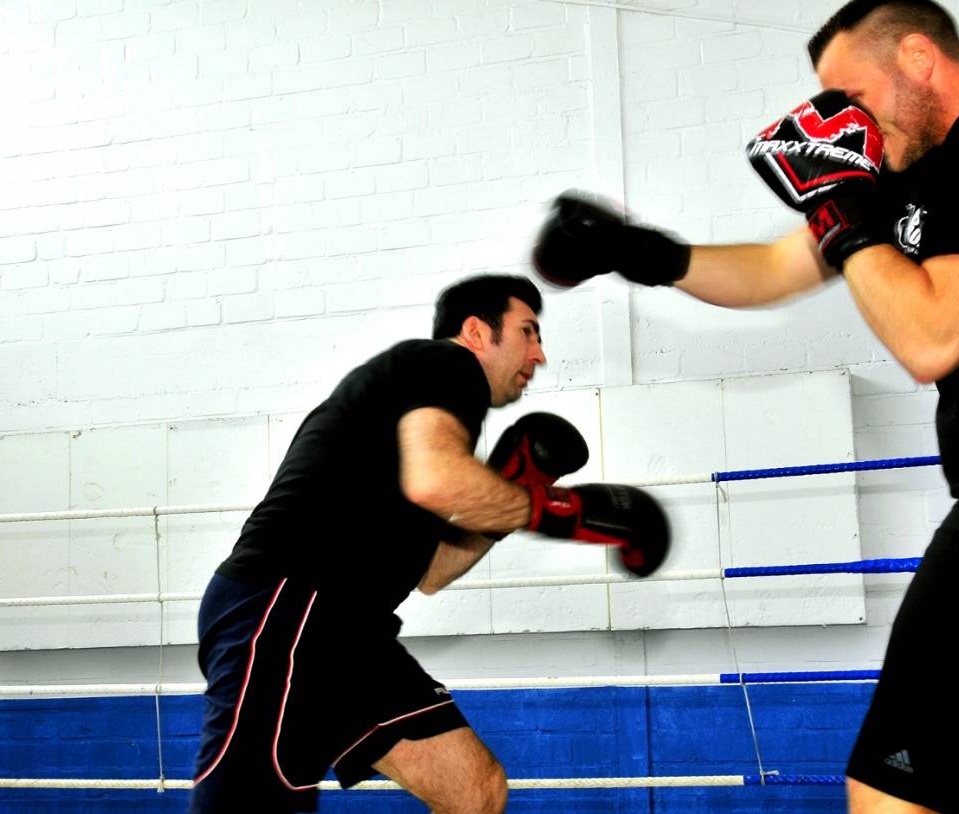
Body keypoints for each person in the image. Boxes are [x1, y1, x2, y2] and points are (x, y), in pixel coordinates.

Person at [530, 1, 959, 811]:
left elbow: (931, 338)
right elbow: (775, 270)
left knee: (891, 792)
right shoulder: (906, 176)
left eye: (853, 94)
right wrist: (639, 253)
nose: (841, 122)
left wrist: (843, 210)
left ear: (920, 58)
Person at [188, 273, 670, 813]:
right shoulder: (444, 365)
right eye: (528, 332)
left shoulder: (424, 416)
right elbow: (436, 480)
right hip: (284, 605)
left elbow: (433, 572)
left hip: (346, 630)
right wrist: (567, 512)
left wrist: (510, 501)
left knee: (474, 793)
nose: (539, 354)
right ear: (476, 331)